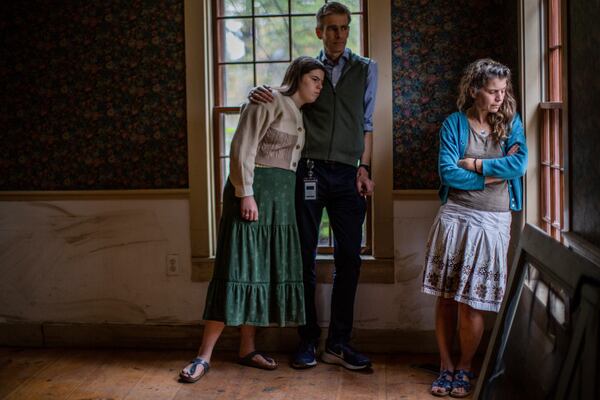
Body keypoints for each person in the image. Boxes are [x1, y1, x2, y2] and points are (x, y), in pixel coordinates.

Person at [179, 56, 326, 383]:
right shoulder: (269, 99)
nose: (318, 85)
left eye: (321, 81)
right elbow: (242, 146)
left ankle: (247, 348)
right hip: (253, 194)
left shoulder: (299, 115)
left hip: (281, 201)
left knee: (260, 271)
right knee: (236, 268)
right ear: (297, 76)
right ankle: (203, 356)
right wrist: (245, 193)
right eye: (314, 78)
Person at [249, 1, 377, 371]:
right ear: (319, 31)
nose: (339, 34)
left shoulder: (367, 69)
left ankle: (338, 343)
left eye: (344, 27)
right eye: (331, 28)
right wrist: (259, 91)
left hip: (348, 175)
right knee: (303, 255)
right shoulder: (310, 69)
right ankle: (306, 340)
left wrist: (364, 167)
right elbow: (285, 94)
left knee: (349, 260)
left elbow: (367, 123)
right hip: (308, 172)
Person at [422, 58, 528, 397]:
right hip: (455, 217)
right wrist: (495, 175)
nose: (499, 97)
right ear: (474, 90)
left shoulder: (512, 124)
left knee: (473, 301)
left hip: (493, 221)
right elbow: (448, 173)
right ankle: (445, 365)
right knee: (447, 297)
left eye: (503, 91)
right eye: (492, 91)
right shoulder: (454, 124)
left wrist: (478, 164)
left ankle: (465, 367)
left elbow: (520, 164)